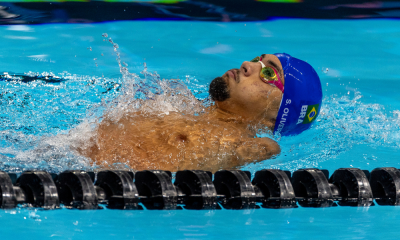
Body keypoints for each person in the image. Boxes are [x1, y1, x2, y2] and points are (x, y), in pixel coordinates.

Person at [79, 53, 322, 172]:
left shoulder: (253, 145)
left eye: (268, 73)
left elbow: (265, 150)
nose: (247, 65)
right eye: (257, 60)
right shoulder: (178, 105)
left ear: (277, 114)